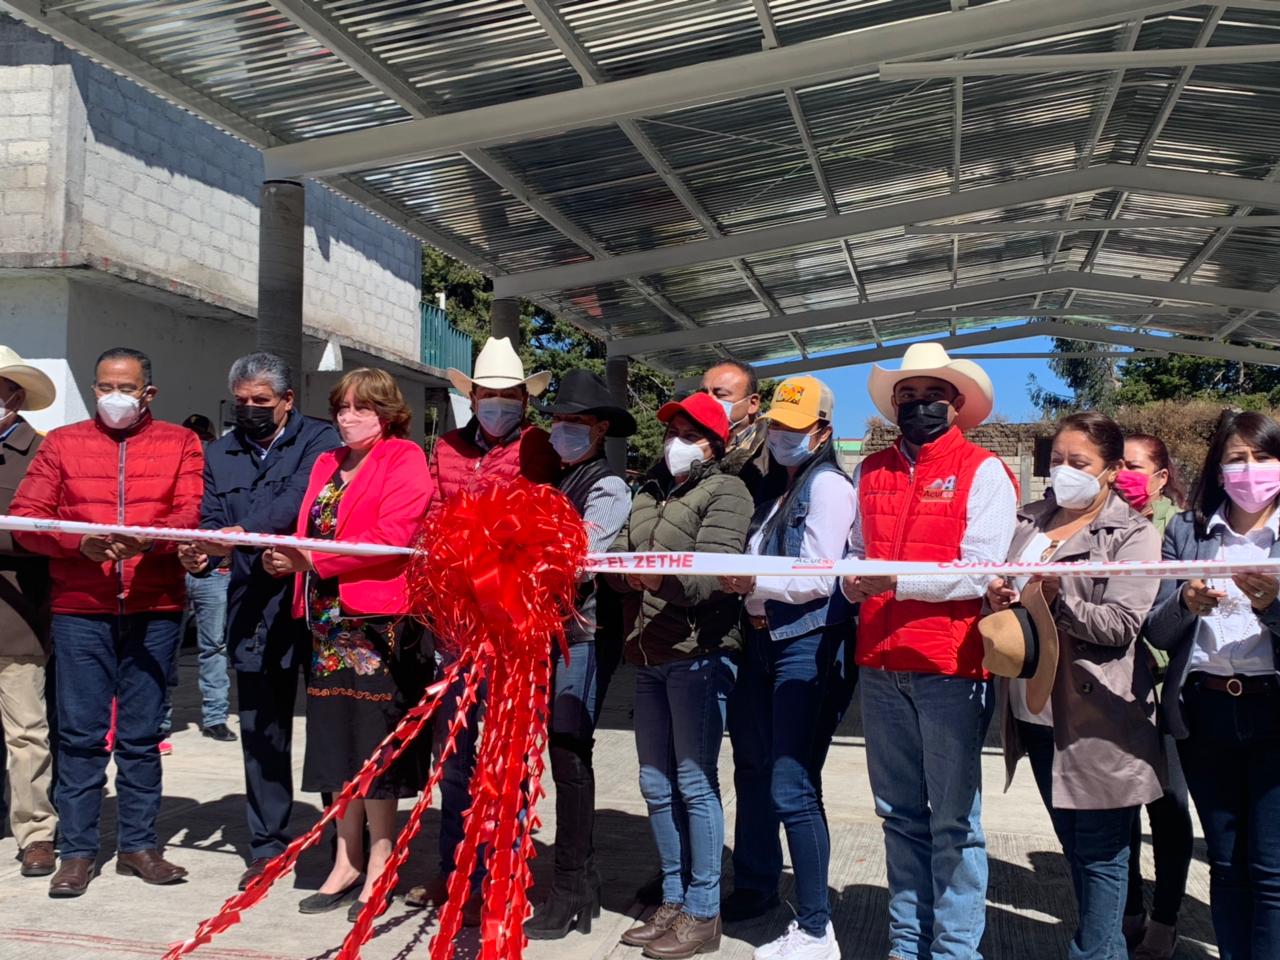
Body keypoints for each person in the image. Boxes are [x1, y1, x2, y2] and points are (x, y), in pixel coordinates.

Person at [839, 342, 1017, 960]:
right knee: (898, 814)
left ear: (957, 403)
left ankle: (954, 949)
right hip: (880, 662)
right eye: (907, 396)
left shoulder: (983, 470)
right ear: (893, 406)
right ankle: (906, 942)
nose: (919, 405)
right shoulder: (870, 470)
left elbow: (981, 569)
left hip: (949, 665)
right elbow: (855, 552)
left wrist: (897, 582)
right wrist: (852, 581)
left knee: (954, 823)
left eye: (932, 395)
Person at [10, 347, 203, 897]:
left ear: (148, 393)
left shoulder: (181, 442)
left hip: (154, 607)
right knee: (80, 736)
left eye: (126, 388)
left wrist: (149, 540)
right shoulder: (62, 443)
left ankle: (139, 846)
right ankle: (77, 852)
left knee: (142, 736)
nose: (113, 397)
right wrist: (78, 543)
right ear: (94, 389)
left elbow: (190, 511)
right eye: (104, 387)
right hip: (81, 609)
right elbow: (26, 519)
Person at [987, 412, 1163, 960]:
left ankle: (1096, 952)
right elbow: (1008, 591)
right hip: (1033, 708)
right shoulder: (1028, 521)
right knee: (1076, 850)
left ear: (1111, 469)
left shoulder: (1132, 534)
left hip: (1097, 719)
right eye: (1058, 459)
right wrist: (999, 595)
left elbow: (1121, 626)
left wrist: (1058, 599)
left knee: (1102, 857)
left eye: (1079, 462)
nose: (1064, 470)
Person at [263, 368, 432, 921]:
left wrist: (311, 558)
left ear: (388, 414)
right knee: (334, 742)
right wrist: (285, 556)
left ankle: (381, 859)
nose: (348, 417)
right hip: (325, 621)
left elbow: (392, 537)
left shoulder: (404, 458)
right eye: (342, 408)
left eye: (362, 408)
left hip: (377, 623)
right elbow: (307, 530)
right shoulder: (326, 463)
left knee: (374, 742)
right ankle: (345, 857)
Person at [408, 335, 559, 917]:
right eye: (488, 396)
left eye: (509, 396)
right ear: (471, 398)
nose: (498, 405)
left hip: (514, 620)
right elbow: (430, 514)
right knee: (456, 755)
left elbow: (545, 519)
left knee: (509, 755)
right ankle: (456, 874)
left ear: (525, 399)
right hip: (456, 622)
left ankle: (503, 877)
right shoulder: (445, 447)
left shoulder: (539, 447)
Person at [177, 353, 340, 889]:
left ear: (287, 400)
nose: (250, 409)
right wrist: (203, 552)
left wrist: (240, 533)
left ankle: (345, 843)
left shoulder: (321, 441)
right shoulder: (219, 453)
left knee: (332, 726)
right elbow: (210, 517)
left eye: (261, 401)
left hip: (317, 604)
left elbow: (299, 502)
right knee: (261, 730)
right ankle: (267, 845)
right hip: (253, 607)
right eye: (242, 401)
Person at [608, 392, 753, 960]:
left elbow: (714, 574)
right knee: (653, 782)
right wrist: (624, 575)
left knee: (694, 782)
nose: (676, 443)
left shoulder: (728, 491)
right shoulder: (647, 490)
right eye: (672, 432)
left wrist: (658, 581)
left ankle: (703, 908)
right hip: (647, 653)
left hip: (698, 653)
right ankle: (671, 897)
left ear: (714, 445)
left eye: (690, 435)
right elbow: (618, 555)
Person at [718, 376, 856, 959]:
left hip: (806, 642)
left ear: (823, 432)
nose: (781, 435)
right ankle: (762, 889)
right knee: (756, 770)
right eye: (776, 424)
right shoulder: (781, 488)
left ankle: (818, 928)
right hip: (763, 642)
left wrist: (753, 582)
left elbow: (818, 576)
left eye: (795, 428)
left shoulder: (828, 487)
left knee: (791, 784)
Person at [1145, 410, 1280, 960]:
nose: (1249, 469)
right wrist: (1185, 601)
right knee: (1225, 864)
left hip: (1274, 710)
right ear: (1217, 468)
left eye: (1263, 457)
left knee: (1271, 870)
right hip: (1204, 713)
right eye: (1236, 458)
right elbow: (1156, 628)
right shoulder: (1186, 530)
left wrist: (1272, 607)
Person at [525, 370, 635, 940]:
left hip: (583, 633)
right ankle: (577, 880)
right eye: (558, 420)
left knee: (569, 749)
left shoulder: (608, 486)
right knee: (555, 748)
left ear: (599, 429)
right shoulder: (553, 480)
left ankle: (570, 884)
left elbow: (578, 556)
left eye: (576, 422)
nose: (563, 429)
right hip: (544, 630)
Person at [1117, 434, 1192, 960]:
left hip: (1164, 690)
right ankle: (1128, 911)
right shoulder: (1105, 524)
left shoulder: (1179, 529)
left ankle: (1165, 919)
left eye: (1135, 466)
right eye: (1118, 464)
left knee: (1167, 807)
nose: (1124, 475)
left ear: (1162, 477)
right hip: (1115, 690)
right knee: (1120, 806)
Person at [0, 347, 58, 879]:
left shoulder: (41, 453)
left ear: (14, 396)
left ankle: (36, 834)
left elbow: (47, 533)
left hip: (15, 618)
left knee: (26, 733)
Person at [162, 413, 234, 745]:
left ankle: (215, 716)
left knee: (214, 645)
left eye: (203, 439)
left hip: (213, 572)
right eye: (192, 438)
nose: (198, 445)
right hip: (173, 571)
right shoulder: (169, 473)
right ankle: (161, 718)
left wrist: (223, 555)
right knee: (166, 646)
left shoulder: (220, 475)